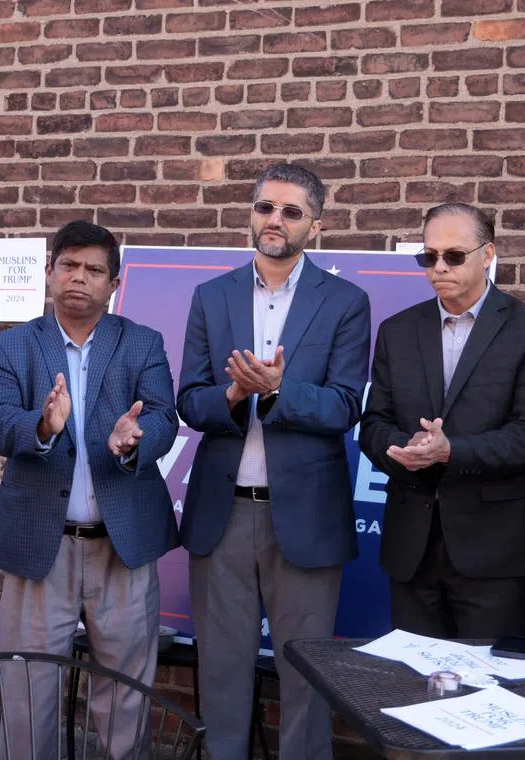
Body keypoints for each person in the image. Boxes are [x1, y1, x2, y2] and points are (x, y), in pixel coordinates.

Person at [177, 164, 371, 760]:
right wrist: (236, 394)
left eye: (291, 211)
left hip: (306, 516)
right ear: (251, 212)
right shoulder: (212, 296)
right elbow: (190, 400)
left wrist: (280, 391)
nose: (275, 220)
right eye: (265, 207)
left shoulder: (345, 301)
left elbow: (345, 405)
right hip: (224, 513)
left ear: (316, 224)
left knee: (307, 677)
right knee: (221, 671)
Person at [0, 220, 178, 760]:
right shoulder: (11, 347)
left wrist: (135, 439)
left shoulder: (141, 342)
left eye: (94, 270)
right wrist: (43, 426)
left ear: (113, 284)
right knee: (27, 690)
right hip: (40, 546)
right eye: (69, 265)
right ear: (49, 273)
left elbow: (164, 416)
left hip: (122, 545)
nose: (79, 277)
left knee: (125, 696)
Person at [360, 202, 525, 639]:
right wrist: (402, 450)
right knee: (411, 675)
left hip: (494, 550)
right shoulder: (397, 331)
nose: (439, 267)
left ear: (487, 254)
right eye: (429, 256)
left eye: (453, 255)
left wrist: (451, 451)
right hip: (411, 545)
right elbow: (373, 422)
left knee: (488, 677)